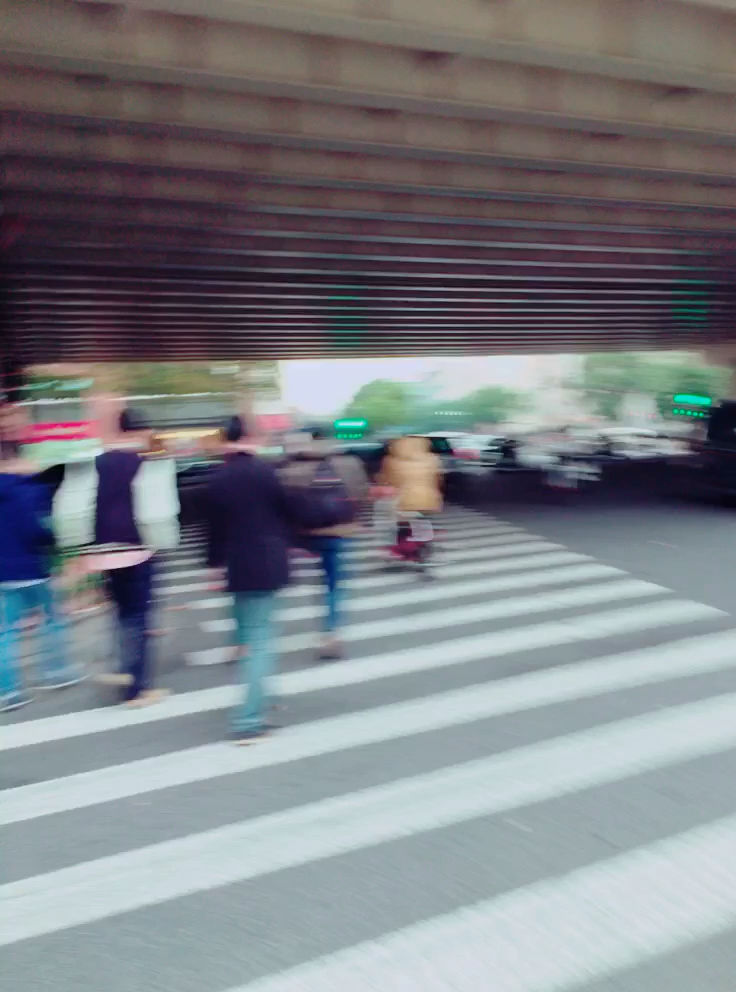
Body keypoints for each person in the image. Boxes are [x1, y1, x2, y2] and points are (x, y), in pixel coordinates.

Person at [55, 407, 179, 707]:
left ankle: (124, 670)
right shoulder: (146, 465)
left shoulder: (97, 463)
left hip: (103, 555)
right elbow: (158, 512)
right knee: (138, 617)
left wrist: (81, 551)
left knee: (122, 614)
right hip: (137, 551)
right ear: (142, 431)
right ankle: (137, 690)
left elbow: (79, 506)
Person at [206, 416, 304, 743]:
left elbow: (214, 530)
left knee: (248, 634)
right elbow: (288, 513)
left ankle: (263, 696)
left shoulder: (218, 478)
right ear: (250, 438)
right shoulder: (266, 472)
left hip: (237, 566)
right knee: (260, 641)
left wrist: (214, 566)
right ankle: (249, 720)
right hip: (267, 563)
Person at [0, 448, 80, 712]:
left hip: (3, 575)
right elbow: (37, 530)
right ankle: (57, 672)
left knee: (6, 632)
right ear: (15, 461)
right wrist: (54, 545)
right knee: (53, 620)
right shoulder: (29, 489)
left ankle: (9, 693)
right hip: (32, 569)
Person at [281, 428, 368, 659]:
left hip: (306, 533)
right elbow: (362, 494)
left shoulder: (292, 467)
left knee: (313, 581)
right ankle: (330, 634)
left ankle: (247, 636)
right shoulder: (349, 464)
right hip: (338, 532)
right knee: (334, 584)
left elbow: (283, 503)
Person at [377, 435, 443, 561]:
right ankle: (422, 553)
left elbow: (386, 481)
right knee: (422, 527)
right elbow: (438, 479)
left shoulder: (390, 461)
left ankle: (402, 552)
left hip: (403, 501)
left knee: (402, 529)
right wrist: (436, 495)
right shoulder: (432, 458)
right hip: (427, 500)